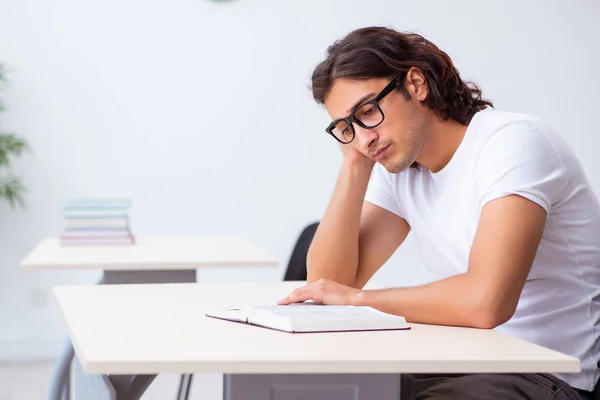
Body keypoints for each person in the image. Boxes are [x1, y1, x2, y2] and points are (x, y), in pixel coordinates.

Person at [277, 26, 600, 399]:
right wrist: (354, 163)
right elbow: (328, 284)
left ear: (416, 83)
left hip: (548, 374)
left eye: (367, 111)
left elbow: (486, 302)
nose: (364, 137)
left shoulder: (512, 144)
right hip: (465, 360)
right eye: (346, 127)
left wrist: (358, 302)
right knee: (322, 386)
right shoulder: (399, 166)